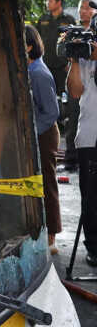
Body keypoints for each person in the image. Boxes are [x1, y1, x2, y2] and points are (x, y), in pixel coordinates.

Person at [26, 25, 62, 254]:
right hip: (37, 132)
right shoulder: (29, 69)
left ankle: (51, 237)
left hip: (44, 133)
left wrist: (32, 133)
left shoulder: (38, 73)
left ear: (29, 46)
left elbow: (51, 111)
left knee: (47, 184)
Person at [67, 33, 97, 266]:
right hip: (89, 137)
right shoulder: (85, 61)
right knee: (90, 197)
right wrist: (75, 60)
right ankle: (94, 247)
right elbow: (75, 92)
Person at [39, 0, 77, 164]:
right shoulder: (43, 20)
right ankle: (47, 139)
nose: (48, 3)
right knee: (45, 104)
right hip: (45, 70)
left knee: (66, 107)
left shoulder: (68, 21)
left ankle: (69, 146)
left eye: (51, 0)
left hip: (63, 70)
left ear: (59, 2)